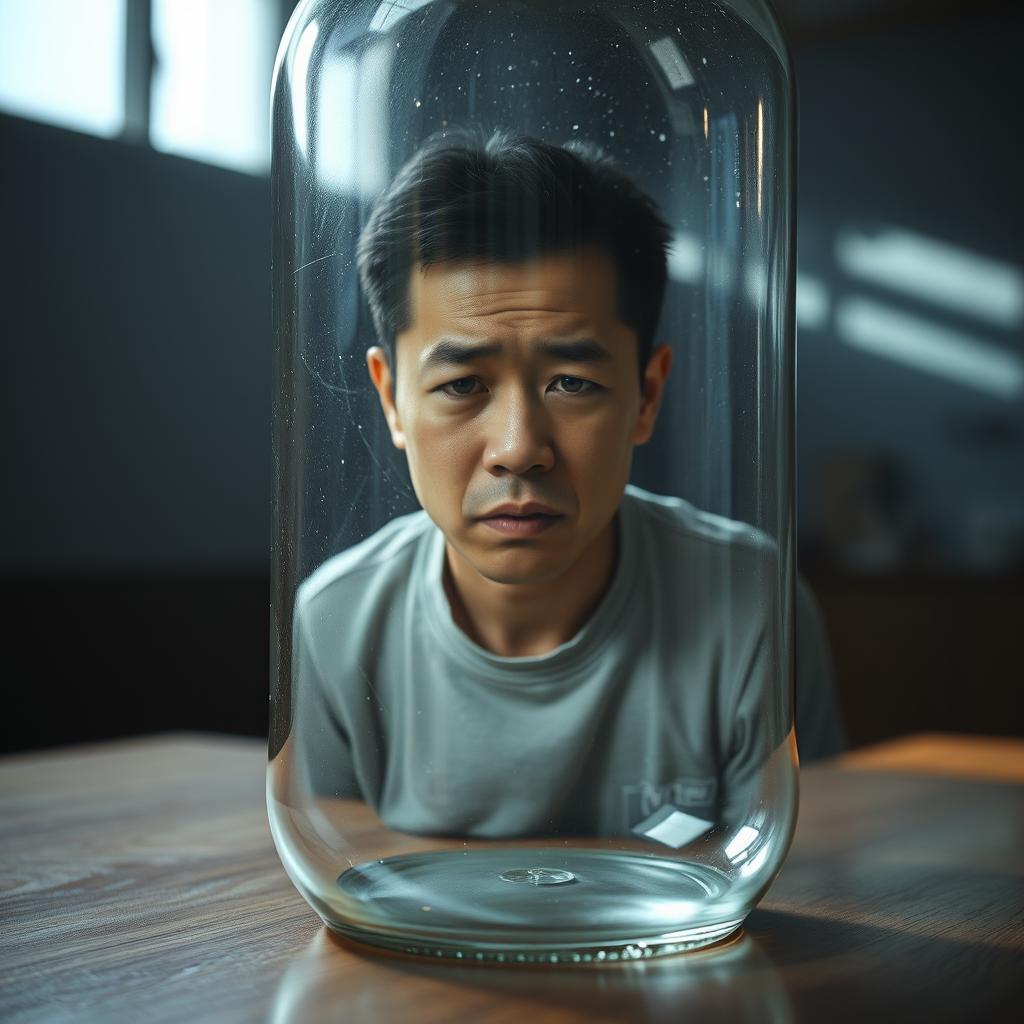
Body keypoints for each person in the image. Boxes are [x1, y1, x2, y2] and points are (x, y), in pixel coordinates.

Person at [292, 132, 844, 839]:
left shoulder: (751, 605)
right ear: (393, 400)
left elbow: (808, 870)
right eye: (462, 384)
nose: (519, 449)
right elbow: (341, 870)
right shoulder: (336, 621)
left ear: (646, 396)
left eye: (573, 382)